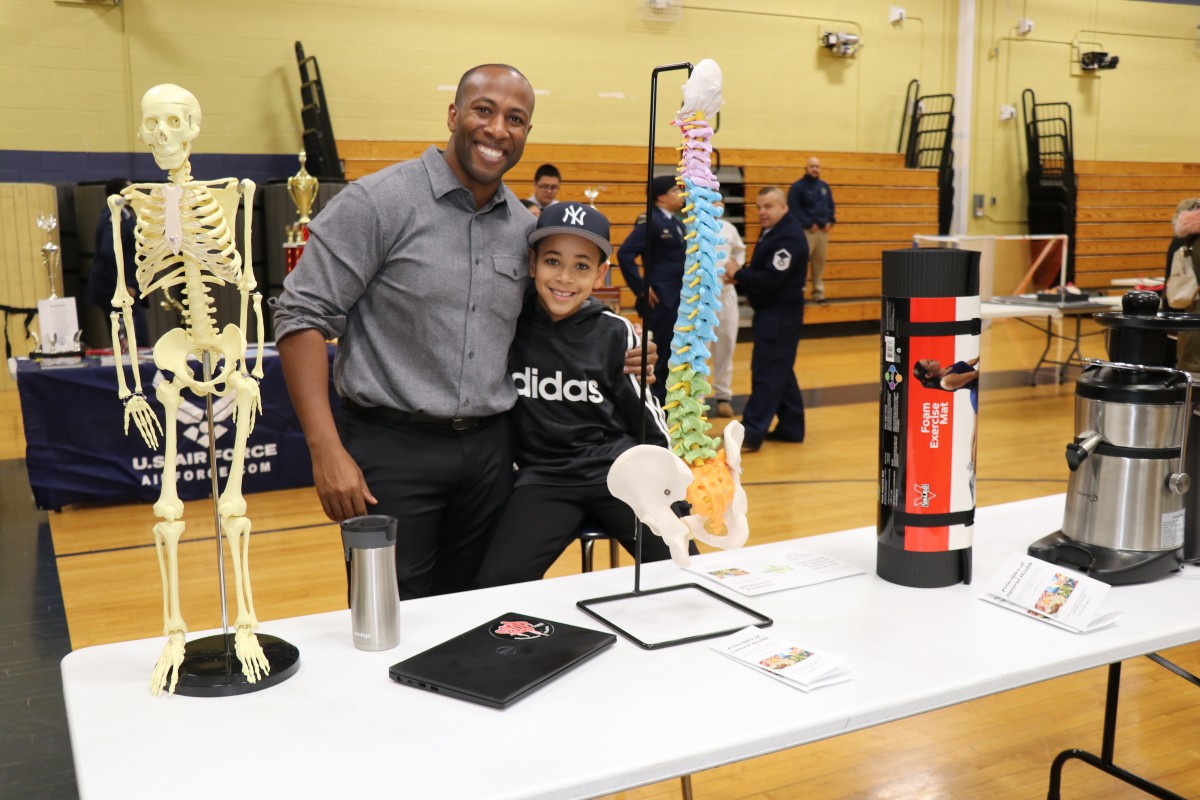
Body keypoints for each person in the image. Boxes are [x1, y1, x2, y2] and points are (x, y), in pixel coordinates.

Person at [272, 64, 653, 599]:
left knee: (476, 608)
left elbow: (555, 317)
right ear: (453, 115)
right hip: (391, 449)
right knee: (389, 612)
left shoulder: (525, 228)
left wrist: (628, 349)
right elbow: (301, 317)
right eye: (484, 110)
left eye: (516, 119)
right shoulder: (377, 203)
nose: (498, 129)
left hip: (492, 453)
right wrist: (325, 449)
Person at [475, 202, 673, 587]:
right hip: (544, 480)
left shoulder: (617, 333)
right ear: (532, 263)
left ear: (600, 274)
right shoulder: (507, 324)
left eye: (581, 266)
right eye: (552, 261)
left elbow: (646, 417)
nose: (564, 277)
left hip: (617, 474)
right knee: (495, 585)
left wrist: (668, 486)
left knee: (679, 565)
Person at [732, 187, 809, 452]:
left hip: (779, 314)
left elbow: (770, 279)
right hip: (772, 312)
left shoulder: (788, 237)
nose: (762, 212)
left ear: (783, 207)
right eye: (759, 207)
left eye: (768, 206)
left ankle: (752, 433)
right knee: (780, 370)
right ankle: (792, 427)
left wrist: (740, 274)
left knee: (767, 371)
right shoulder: (776, 231)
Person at [617, 174, 686, 402]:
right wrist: (641, 288)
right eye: (675, 191)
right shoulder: (651, 220)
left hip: (677, 297)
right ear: (661, 197)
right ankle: (653, 400)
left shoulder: (676, 222)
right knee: (659, 351)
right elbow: (625, 253)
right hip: (660, 299)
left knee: (672, 351)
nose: (680, 194)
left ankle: (667, 399)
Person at [87, 177, 147, 346]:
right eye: (130, 191)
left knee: (138, 337)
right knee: (133, 341)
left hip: (122, 287)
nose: (135, 194)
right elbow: (108, 252)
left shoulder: (124, 215)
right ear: (120, 195)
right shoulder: (114, 216)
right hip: (115, 289)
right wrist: (124, 284)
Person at [711, 198, 746, 418]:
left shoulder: (730, 229)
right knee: (699, 349)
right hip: (700, 297)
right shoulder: (691, 228)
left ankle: (723, 395)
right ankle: (694, 399)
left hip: (727, 297)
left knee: (726, 344)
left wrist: (737, 270)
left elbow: (739, 253)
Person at [788, 157, 836, 303]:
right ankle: (798, 293)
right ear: (806, 168)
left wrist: (830, 221)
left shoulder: (824, 186)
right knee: (801, 263)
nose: (815, 169)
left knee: (819, 263)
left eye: (817, 166)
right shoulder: (797, 187)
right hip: (806, 232)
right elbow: (794, 209)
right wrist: (809, 223)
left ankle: (818, 293)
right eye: (812, 166)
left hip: (823, 231)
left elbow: (830, 206)